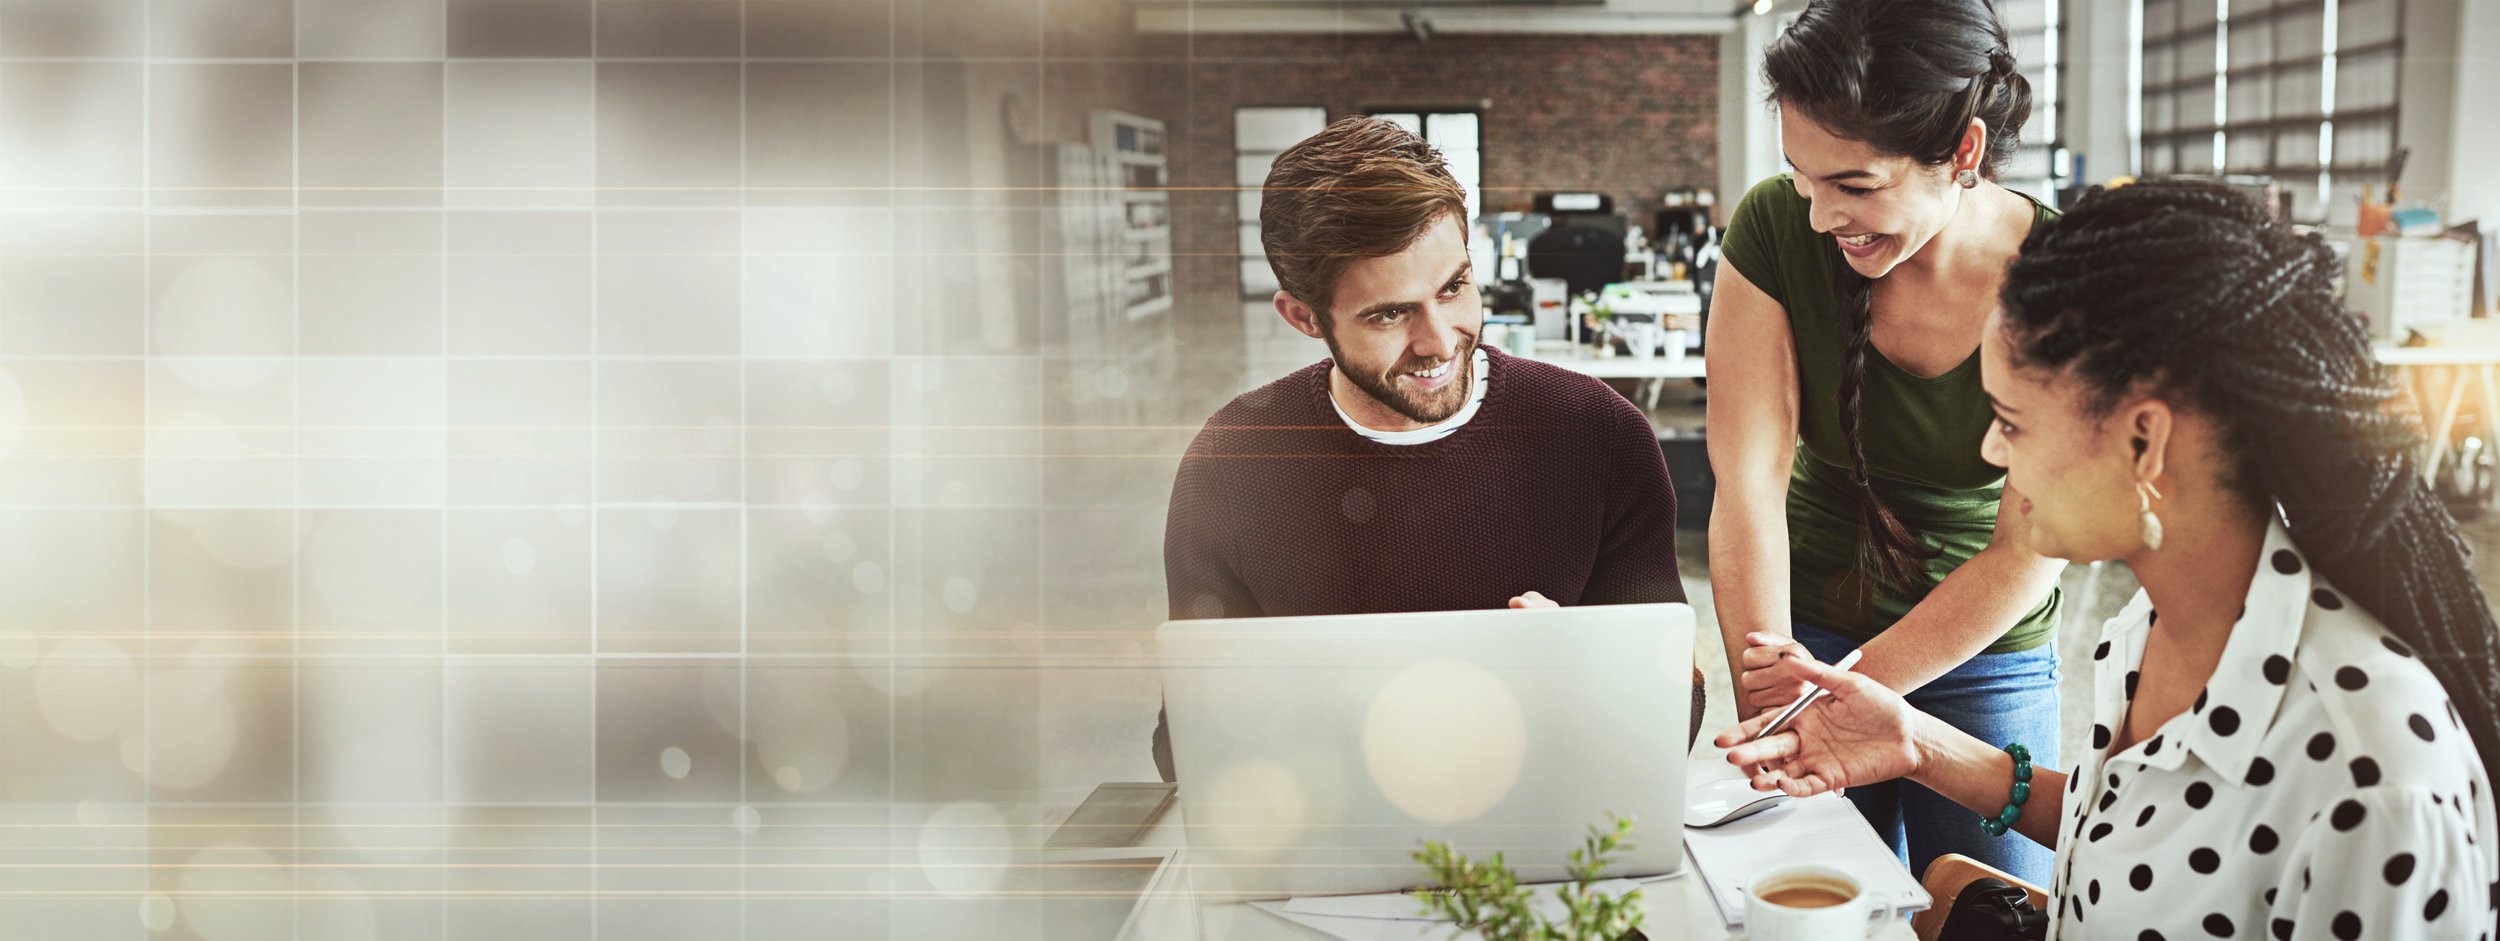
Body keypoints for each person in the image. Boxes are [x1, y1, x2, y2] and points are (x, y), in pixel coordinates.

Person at [1719, 179, 2500, 941]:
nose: (1993, 450)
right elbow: (2130, 841)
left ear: (2144, 442)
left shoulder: (2377, 780)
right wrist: (1918, 743)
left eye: (2012, 421)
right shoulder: (2149, 625)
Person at [1151, 115, 1687, 780]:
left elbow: (1676, 711)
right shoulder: (1231, 464)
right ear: (1305, 317)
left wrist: (1587, 663)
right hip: (1325, 845)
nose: (1440, 340)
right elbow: (1186, 747)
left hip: (1546, 837)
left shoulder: (1599, 435)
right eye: (1388, 313)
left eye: (1454, 286)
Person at [1707, 0, 2066, 882]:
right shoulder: (1775, 227)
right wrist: (1780, 687)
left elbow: (2032, 547)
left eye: (1856, 185)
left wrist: (1854, 691)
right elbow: (1748, 481)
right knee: (1811, 901)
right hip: (1807, 635)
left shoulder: (2063, 271)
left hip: (1987, 652)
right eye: (1803, 175)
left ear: (1966, 152)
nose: (1823, 214)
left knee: (1989, 913)